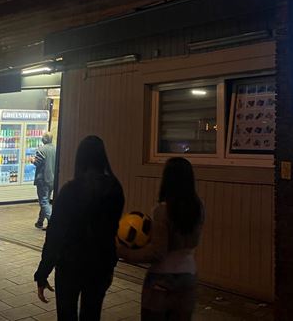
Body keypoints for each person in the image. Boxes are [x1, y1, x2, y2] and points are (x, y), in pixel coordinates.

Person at [34, 136, 124, 321]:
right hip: (101, 265)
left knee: (66, 314)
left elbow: (55, 236)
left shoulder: (70, 191)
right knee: (92, 314)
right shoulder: (114, 189)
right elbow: (113, 230)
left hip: (70, 265)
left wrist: (43, 272)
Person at [117, 157, 204, 321]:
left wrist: (123, 252)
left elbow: (157, 252)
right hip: (188, 276)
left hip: (162, 279)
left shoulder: (162, 211)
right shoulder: (199, 208)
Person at [31, 132, 56, 229]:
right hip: (52, 178)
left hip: (43, 179)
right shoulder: (55, 149)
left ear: (44, 139)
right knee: (46, 200)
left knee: (44, 202)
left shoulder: (41, 150)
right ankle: (40, 222)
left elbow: (38, 163)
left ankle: (52, 222)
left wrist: (32, 160)